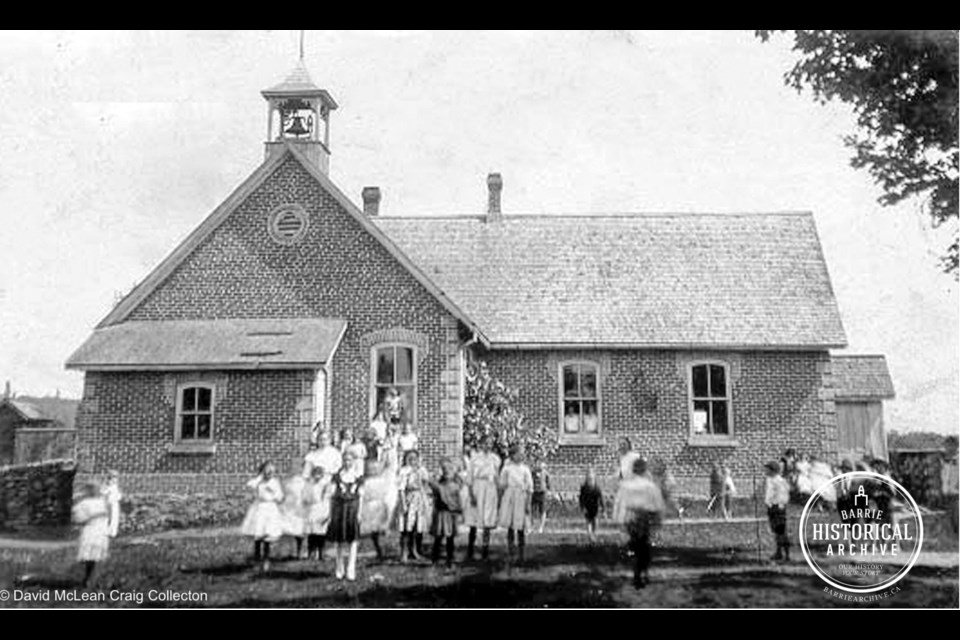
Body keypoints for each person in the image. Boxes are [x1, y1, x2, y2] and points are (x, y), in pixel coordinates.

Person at [613, 458, 665, 589]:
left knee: (638, 547)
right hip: (644, 519)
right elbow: (658, 506)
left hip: (631, 519)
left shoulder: (625, 485)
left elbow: (619, 503)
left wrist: (619, 522)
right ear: (644, 470)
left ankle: (640, 572)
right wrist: (658, 523)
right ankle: (641, 573)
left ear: (634, 470)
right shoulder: (650, 486)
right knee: (643, 547)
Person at [329, 445, 365, 581]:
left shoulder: (358, 477)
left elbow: (361, 497)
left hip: (352, 509)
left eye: (350, 460)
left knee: (353, 540)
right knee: (339, 540)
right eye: (345, 460)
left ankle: (351, 568)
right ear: (342, 461)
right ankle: (339, 568)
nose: (347, 463)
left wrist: (359, 513)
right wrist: (331, 513)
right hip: (339, 509)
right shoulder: (337, 477)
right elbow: (331, 496)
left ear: (354, 462)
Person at [241, 461, 285, 572]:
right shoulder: (259, 481)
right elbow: (250, 485)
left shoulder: (275, 482)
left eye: (272, 471)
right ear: (262, 471)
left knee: (267, 535)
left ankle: (266, 559)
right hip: (259, 508)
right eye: (267, 470)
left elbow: (280, 497)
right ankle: (257, 559)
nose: (269, 472)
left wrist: (273, 492)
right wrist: (260, 478)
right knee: (258, 534)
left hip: (270, 509)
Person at [466, 436, 501, 562]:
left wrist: (499, 493)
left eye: (490, 443)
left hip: (490, 489)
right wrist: (471, 495)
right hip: (477, 487)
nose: (488, 446)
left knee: (487, 520)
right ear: (481, 444)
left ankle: (485, 551)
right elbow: (469, 478)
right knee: (474, 519)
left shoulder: (495, 459)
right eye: (485, 443)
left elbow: (497, 478)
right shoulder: (475, 458)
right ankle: (470, 550)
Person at [498, 444, 534, 564]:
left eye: (522, 453)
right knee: (510, 526)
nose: (521, 456)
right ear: (512, 456)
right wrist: (501, 500)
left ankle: (521, 554)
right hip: (510, 498)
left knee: (521, 527)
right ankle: (511, 552)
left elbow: (529, 487)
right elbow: (502, 485)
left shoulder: (525, 470)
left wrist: (528, 503)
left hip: (521, 498)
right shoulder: (507, 469)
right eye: (518, 454)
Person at [73, 481, 111, 588]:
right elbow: (79, 519)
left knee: (97, 557)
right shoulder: (82, 504)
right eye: (93, 489)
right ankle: (88, 580)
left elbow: (107, 515)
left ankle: (93, 580)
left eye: (96, 488)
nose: (96, 491)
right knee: (90, 557)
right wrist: (94, 516)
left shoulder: (102, 502)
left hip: (100, 532)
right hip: (90, 532)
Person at [397, 449, 431, 562]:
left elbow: (426, 483)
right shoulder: (403, 471)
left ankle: (415, 550)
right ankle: (404, 552)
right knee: (406, 527)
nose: (412, 461)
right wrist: (403, 503)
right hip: (408, 498)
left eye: (415, 459)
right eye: (410, 458)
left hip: (419, 498)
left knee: (417, 526)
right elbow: (401, 489)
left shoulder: (421, 470)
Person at [429, 457, 463, 568]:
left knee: (450, 538)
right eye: (444, 468)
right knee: (438, 537)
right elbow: (431, 483)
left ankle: (449, 559)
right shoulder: (439, 484)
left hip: (451, 514)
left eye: (449, 468)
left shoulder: (455, 484)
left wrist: (458, 510)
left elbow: (458, 498)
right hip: (441, 514)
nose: (447, 470)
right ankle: (435, 559)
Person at [302, 463, 334, 561]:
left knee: (321, 533)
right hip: (312, 508)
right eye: (315, 474)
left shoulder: (325, 485)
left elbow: (327, 496)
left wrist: (326, 511)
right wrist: (307, 501)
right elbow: (305, 497)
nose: (317, 477)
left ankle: (321, 553)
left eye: (320, 474)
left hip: (322, 508)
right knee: (312, 532)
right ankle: (311, 552)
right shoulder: (309, 485)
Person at [764, 460, 791, 562]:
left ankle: (786, 554)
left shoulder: (777, 481)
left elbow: (782, 494)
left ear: (772, 470)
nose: (765, 470)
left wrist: (778, 504)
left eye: (767, 469)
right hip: (774, 507)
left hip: (777, 507)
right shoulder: (772, 480)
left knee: (781, 531)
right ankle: (779, 552)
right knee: (776, 531)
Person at [280, 462, 308, 559]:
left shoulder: (304, 481)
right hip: (289, 507)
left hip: (299, 507)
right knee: (290, 530)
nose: (295, 469)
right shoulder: (287, 481)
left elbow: (306, 494)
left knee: (300, 531)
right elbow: (284, 494)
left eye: (297, 467)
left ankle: (301, 551)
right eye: (293, 467)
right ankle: (292, 551)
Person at [579, 469, 604, 542]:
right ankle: (590, 535)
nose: (590, 481)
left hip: (594, 507)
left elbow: (601, 498)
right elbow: (581, 498)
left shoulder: (597, 488)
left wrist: (603, 508)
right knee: (589, 521)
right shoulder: (583, 488)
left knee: (594, 521)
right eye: (589, 479)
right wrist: (582, 507)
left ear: (594, 479)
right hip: (588, 506)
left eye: (591, 479)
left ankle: (593, 533)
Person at [531, 460, 551, 534]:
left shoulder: (545, 473)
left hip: (542, 493)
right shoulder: (532, 472)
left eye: (541, 464)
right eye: (537, 464)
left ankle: (540, 528)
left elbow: (548, 483)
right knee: (532, 511)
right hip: (534, 492)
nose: (539, 465)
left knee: (542, 510)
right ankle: (532, 527)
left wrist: (548, 491)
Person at [102, 469, 122, 539]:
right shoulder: (107, 486)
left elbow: (118, 495)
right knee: (107, 517)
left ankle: (113, 532)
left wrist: (118, 496)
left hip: (114, 503)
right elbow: (103, 493)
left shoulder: (116, 486)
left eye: (116, 477)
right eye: (113, 477)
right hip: (108, 503)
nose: (115, 479)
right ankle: (106, 531)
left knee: (114, 517)